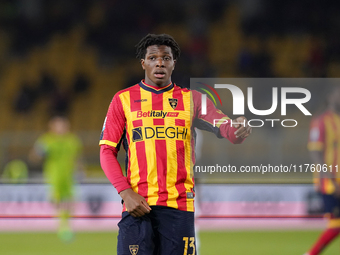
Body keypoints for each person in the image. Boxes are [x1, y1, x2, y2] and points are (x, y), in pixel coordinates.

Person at [99, 34, 251, 255]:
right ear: (143, 63)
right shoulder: (122, 100)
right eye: (152, 58)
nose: (159, 62)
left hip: (179, 209)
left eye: (166, 58)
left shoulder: (193, 100)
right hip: (138, 206)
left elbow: (227, 129)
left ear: (173, 63)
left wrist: (239, 127)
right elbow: (106, 151)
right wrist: (125, 193)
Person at [30, 116, 83, 241]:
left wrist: (81, 170)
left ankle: (68, 226)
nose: (61, 128)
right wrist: (40, 152)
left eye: (63, 125)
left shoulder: (72, 140)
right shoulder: (46, 140)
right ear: (51, 127)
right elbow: (34, 157)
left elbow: (78, 158)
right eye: (58, 125)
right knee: (58, 201)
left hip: (69, 176)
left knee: (70, 201)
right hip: (54, 176)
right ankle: (62, 227)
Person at [305, 86, 340, 255]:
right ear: (331, 96)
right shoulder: (321, 121)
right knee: (336, 225)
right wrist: (331, 179)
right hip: (330, 182)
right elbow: (315, 152)